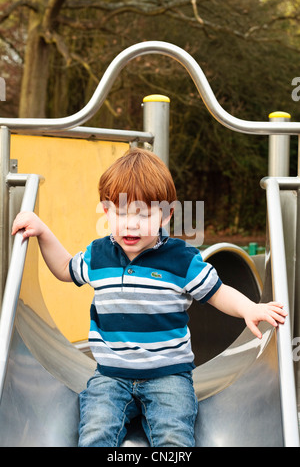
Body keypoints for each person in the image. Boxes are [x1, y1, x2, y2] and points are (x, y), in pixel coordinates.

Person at [11, 147, 287, 447]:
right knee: (95, 431)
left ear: (166, 214)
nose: (131, 224)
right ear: (106, 212)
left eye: (143, 214)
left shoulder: (181, 259)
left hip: (168, 376)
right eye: (120, 212)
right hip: (110, 376)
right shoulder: (99, 254)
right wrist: (43, 233)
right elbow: (65, 268)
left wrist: (248, 307)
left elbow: (217, 292)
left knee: (174, 435)